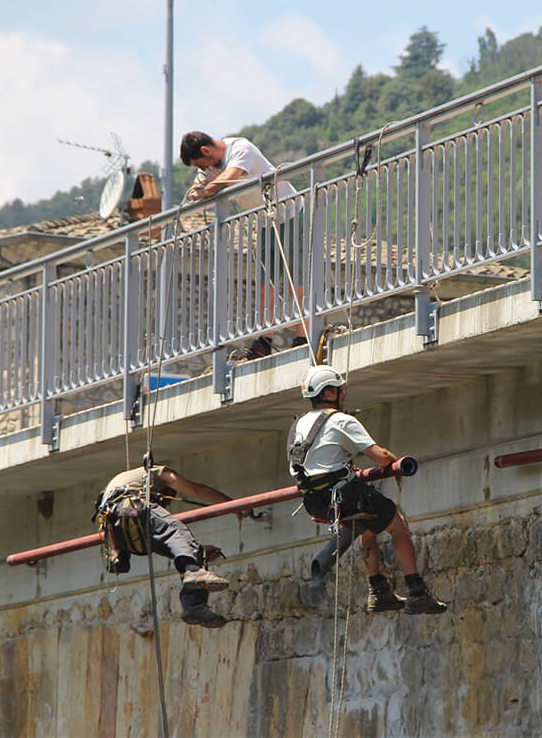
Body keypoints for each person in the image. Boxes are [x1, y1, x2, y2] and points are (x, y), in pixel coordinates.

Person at [288, 364, 447, 615]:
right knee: (397, 524)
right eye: (340, 390)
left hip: (315, 501)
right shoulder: (340, 420)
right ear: (328, 393)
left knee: (367, 524)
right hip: (344, 494)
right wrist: (394, 465)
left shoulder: (299, 426)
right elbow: (380, 457)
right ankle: (417, 591)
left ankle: (378, 590)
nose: (343, 395)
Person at [180, 131, 306, 356]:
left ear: (206, 151)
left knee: (294, 279)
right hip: (267, 221)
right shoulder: (212, 167)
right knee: (266, 284)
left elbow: (230, 176)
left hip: (290, 212)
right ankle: (264, 340)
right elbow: (194, 192)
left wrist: (209, 187)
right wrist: (203, 187)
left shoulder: (240, 148)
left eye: (200, 164)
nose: (201, 170)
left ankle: (303, 336)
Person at [93, 463, 241, 628]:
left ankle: (194, 607)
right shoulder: (157, 472)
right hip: (130, 506)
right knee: (178, 531)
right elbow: (199, 490)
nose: (164, 509)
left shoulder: (123, 483)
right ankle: (193, 583)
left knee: (183, 544)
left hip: (115, 527)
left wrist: (199, 553)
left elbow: (170, 544)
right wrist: (237, 506)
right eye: (164, 504)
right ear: (163, 493)